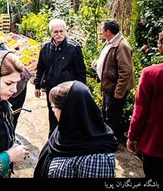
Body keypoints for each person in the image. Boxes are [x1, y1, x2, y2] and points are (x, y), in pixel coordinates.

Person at [34, 81, 118, 178]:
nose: (53, 111)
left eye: (54, 107)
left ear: (69, 111)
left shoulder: (97, 158)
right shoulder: (67, 129)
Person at [34, 19, 86, 137]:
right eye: (55, 32)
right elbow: (40, 68)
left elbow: (81, 72)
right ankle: (52, 140)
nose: (59, 34)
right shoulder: (45, 48)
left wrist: (80, 90)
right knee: (53, 116)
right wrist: (37, 85)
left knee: (69, 116)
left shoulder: (73, 49)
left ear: (66, 32)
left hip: (68, 91)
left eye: (61, 31)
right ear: (51, 33)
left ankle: (68, 140)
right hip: (51, 89)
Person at [126, 31, 163, 178]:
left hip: (156, 145)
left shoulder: (151, 74)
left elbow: (140, 111)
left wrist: (132, 136)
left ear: (161, 46)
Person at [92, 19, 134, 140]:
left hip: (115, 90)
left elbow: (125, 71)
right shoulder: (110, 42)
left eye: (102, 29)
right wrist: (99, 63)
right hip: (108, 87)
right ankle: (105, 138)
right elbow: (110, 60)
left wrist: (119, 91)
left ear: (108, 32)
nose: (100, 31)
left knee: (112, 117)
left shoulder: (122, 46)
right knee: (106, 113)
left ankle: (110, 142)